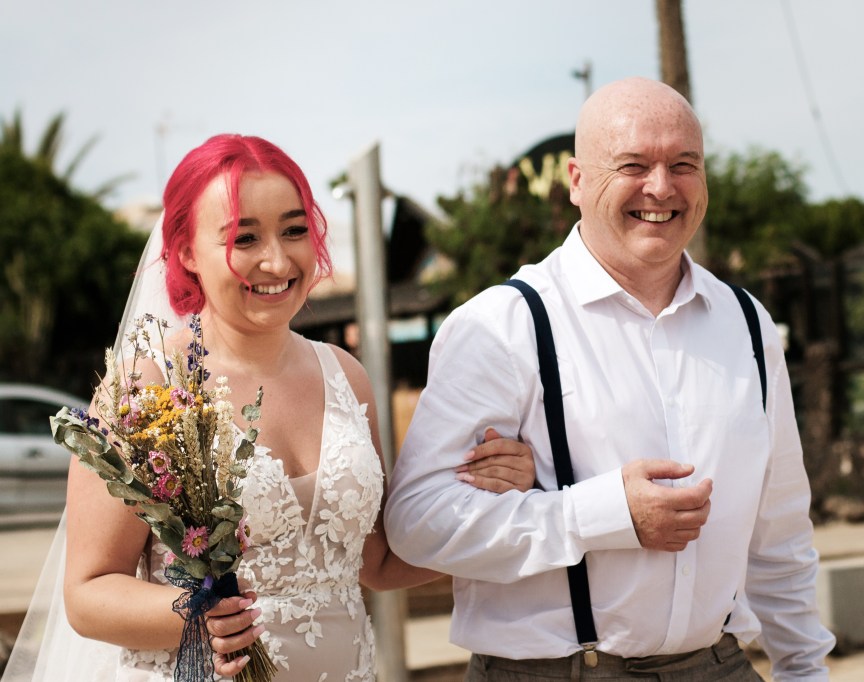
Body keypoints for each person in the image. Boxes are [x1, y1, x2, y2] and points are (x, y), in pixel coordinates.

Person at [1, 134, 535, 682]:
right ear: (186, 252)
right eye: (244, 237)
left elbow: (374, 563)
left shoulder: (346, 375)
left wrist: (492, 500)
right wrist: (196, 616)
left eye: (294, 230)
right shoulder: (146, 387)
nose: (277, 260)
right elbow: (87, 593)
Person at [383, 77, 836, 681]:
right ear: (576, 180)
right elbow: (418, 522)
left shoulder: (748, 324)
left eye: (684, 164)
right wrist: (603, 513)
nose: (661, 187)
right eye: (633, 164)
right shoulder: (502, 326)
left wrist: (804, 669)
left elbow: (779, 531)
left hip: (719, 667)